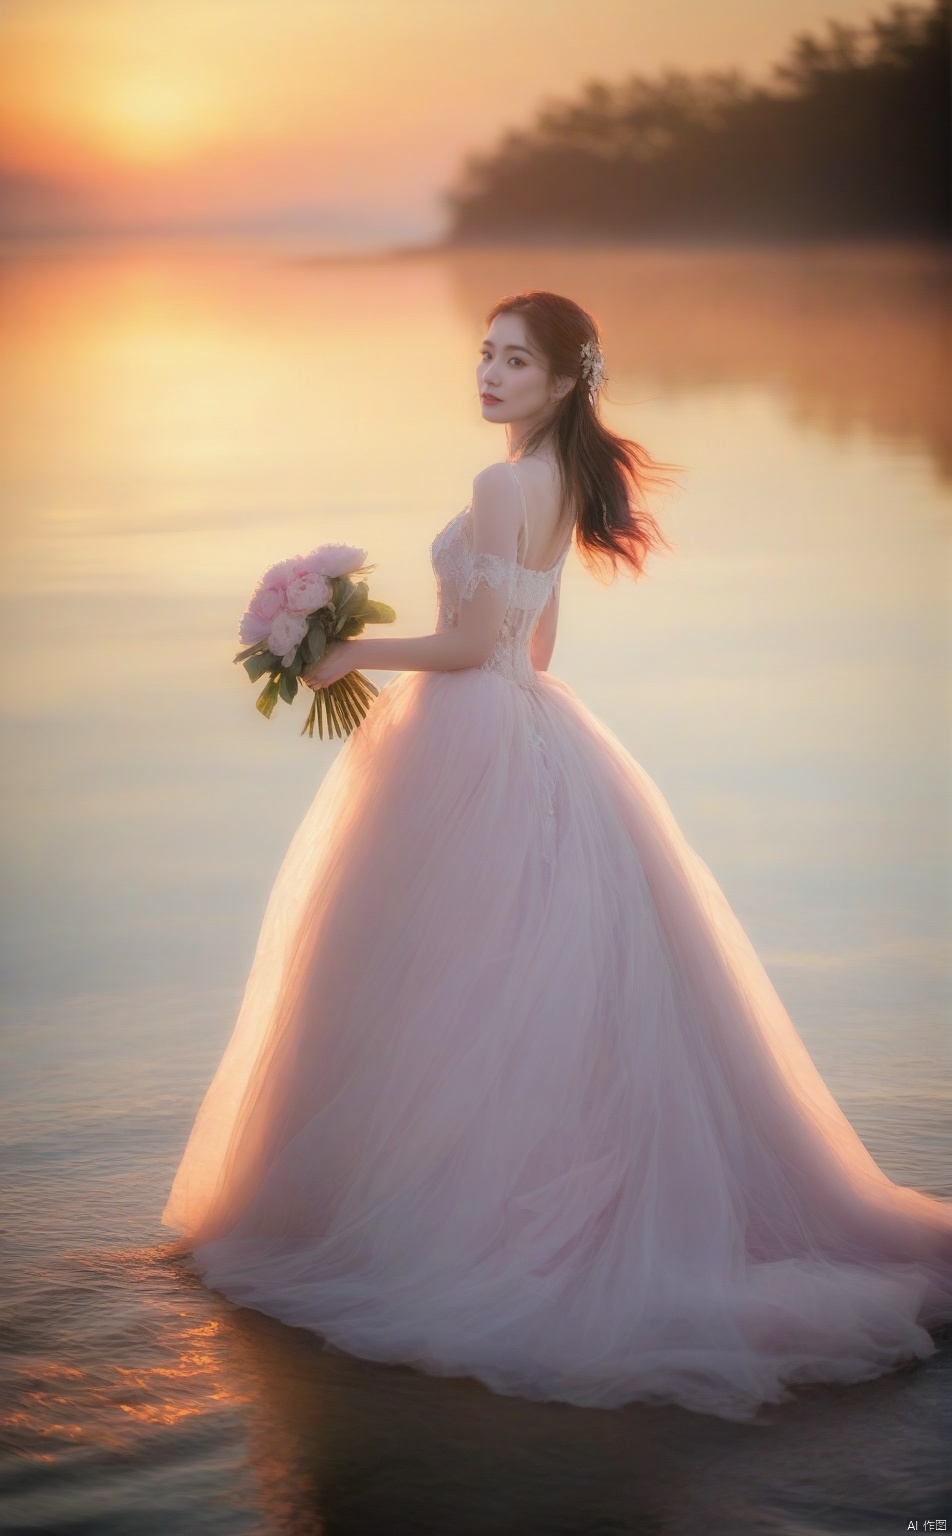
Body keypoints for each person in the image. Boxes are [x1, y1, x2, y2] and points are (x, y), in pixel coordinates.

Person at [163, 290, 952, 1421]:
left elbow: (481, 644)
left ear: (565, 378)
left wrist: (347, 651)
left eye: (514, 360)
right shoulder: (566, 483)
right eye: (483, 354)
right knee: (522, 1004)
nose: (487, 374)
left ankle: (456, 1232)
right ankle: (527, 1206)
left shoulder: (499, 484)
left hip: (472, 739)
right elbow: (536, 644)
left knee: (446, 1001)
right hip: (536, 731)